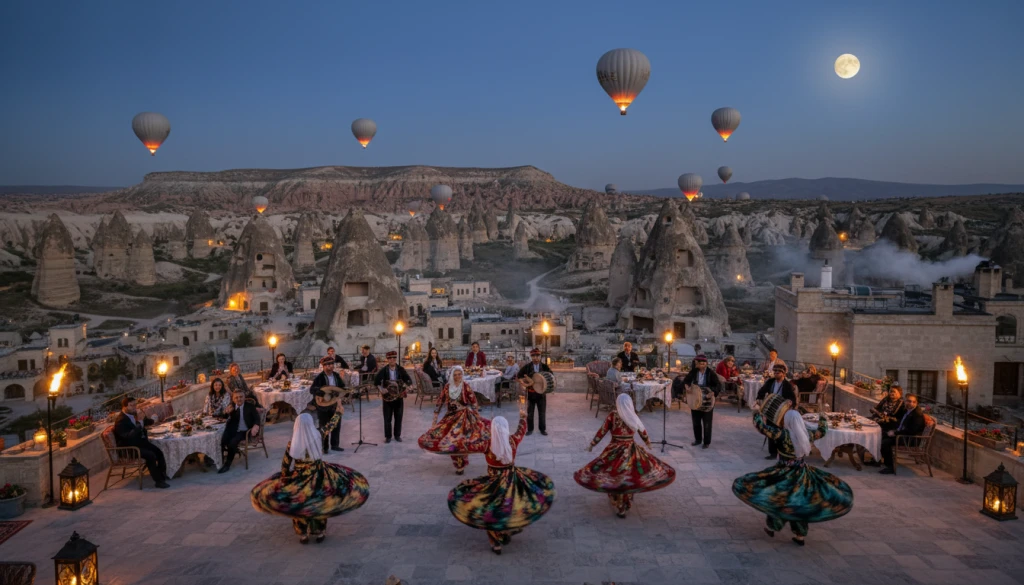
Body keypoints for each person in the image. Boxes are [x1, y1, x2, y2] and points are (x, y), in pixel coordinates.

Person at [732, 392, 853, 545]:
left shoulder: (782, 435)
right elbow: (823, 431)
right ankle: (799, 535)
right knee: (799, 503)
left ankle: (773, 527)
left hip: (783, 473)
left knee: (779, 498)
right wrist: (822, 416)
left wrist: (756, 412)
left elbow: (762, 428)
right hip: (802, 473)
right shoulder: (807, 434)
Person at [447, 407, 556, 554]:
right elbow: (521, 431)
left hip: (493, 482)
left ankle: (496, 543)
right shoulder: (512, 441)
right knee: (510, 506)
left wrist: (458, 437)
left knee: (489, 509)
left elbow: (469, 445)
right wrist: (523, 417)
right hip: (511, 480)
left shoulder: (487, 444)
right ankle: (508, 529)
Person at [251, 413, 369, 544]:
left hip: (299, 478)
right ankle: (320, 532)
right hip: (319, 476)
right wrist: (339, 412)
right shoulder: (318, 435)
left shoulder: (293, 443)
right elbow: (330, 425)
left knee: (300, 504)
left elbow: (285, 463)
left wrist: (284, 479)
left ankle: (303, 534)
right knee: (319, 502)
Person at [574, 393, 676, 518]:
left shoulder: (612, 416)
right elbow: (642, 430)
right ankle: (625, 501)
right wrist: (647, 443)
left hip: (613, 450)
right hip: (631, 450)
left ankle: (619, 503)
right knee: (629, 475)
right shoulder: (633, 415)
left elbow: (602, 431)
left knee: (615, 476)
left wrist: (592, 444)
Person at [419, 366, 491, 475]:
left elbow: (473, 401)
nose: (457, 377)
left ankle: (460, 464)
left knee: (462, 440)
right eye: (455, 374)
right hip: (450, 417)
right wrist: (435, 418)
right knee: (449, 439)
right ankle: (459, 463)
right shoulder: (447, 387)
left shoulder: (465, 386)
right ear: (452, 375)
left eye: (459, 374)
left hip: (464, 416)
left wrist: (475, 415)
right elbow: (440, 402)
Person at [113, 397, 169, 488]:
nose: (135, 407)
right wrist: (138, 427)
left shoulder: (130, 415)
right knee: (151, 455)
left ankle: (162, 475)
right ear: (124, 406)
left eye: (135, 405)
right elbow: (127, 436)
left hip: (138, 443)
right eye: (132, 405)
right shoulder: (121, 420)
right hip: (129, 448)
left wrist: (150, 421)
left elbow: (138, 423)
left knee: (159, 451)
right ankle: (158, 481)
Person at [679, 355, 721, 449]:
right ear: (696, 363)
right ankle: (698, 439)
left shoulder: (710, 373)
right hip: (695, 399)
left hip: (707, 399)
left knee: (707, 422)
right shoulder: (693, 372)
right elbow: (686, 381)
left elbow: (718, 385)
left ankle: (706, 442)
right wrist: (687, 386)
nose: (703, 365)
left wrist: (713, 392)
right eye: (700, 363)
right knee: (696, 421)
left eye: (704, 363)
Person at [757, 363, 798, 459]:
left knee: (780, 431)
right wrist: (759, 398)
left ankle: (782, 451)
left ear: (783, 374)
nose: (776, 373)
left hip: (781, 411)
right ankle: (773, 453)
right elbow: (761, 391)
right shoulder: (770, 382)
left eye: (778, 372)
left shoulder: (787, 385)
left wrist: (790, 401)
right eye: (775, 371)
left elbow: (792, 397)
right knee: (770, 430)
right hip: (771, 408)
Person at [878, 394, 926, 475]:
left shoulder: (917, 415)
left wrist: (895, 433)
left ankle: (890, 467)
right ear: (905, 401)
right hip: (901, 434)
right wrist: (891, 429)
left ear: (916, 403)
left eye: (913, 402)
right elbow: (899, 423)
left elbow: (912, 431)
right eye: (909, 401)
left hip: (909, 439)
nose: (911, 403)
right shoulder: (906, 410)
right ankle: (879, 460)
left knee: (885, 443)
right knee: (880, 435)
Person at [374, 351, 413, 443]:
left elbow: (407, 379)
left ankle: (397, 435)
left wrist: (409, 386)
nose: (392, 360)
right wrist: (381, 389)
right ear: (387, 359)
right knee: (387, 417)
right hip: (387, 398)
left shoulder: (400, 369)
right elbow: (376, 381)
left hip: (398, 396)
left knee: (398, 416)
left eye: (394, 358)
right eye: (390, 358)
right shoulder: (384, 370)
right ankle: (388, 436)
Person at [309, 356, 346, 453]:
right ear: (323, 366)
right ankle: (324, 447)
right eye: (328, 365)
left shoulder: (336, 376)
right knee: (324, 426)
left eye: (331, 364)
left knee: (336, 424)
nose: (330, 366)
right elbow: (312, 389)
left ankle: (335, 445)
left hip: (335, 403)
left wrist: (344, 392)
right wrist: (323, 393)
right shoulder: (320, 377)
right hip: (323, 406)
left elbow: (342, 387)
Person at [219, 390, 261, 473]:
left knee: (232, 443)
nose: (239, 399)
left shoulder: (250, 406)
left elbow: (257, 418)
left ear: (244, 397)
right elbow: (224, 417)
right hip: (232, 429)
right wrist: (226, 412)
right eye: (236, 397)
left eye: (241, 397)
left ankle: (227, 464)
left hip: (243, 431)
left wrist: (255, 426)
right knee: (222, 440)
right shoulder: (232, 406)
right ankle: (221, 458)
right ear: (233, 399)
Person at [516, 348, 552, 436]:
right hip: (531, 393)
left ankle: (542, 429)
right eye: (533, 356)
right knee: (530, 412)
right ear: (531, 357)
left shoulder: (544, 367)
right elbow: (518, 376)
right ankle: (530, 429)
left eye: (537, 356)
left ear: (540, 356)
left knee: (542, 412)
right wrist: (525, 382)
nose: (535, 358)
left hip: (541, 394)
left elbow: (551, 376)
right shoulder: (527, 367)